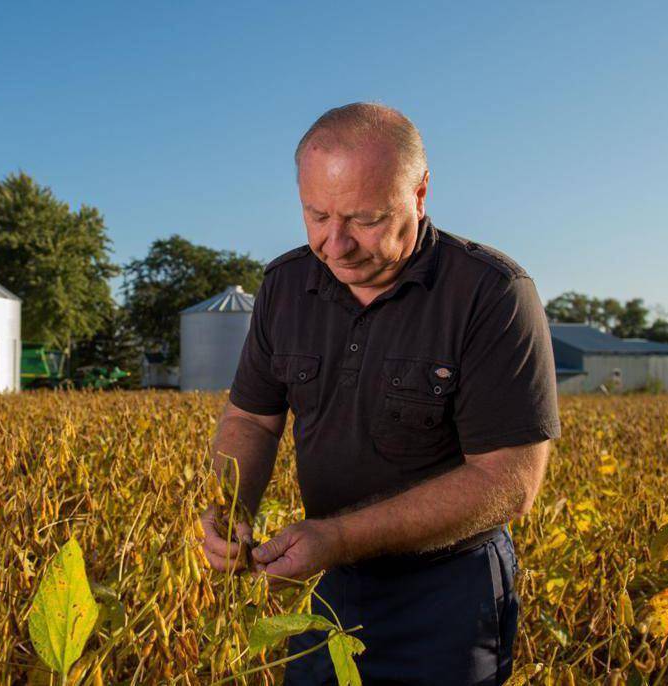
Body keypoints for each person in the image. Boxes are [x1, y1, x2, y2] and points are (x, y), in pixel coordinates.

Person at [198, 102, 560, 685]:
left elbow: (509, 483)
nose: (335, 245)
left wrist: (338, 537)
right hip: (328, 580)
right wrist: (232, 505)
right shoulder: (286, 285)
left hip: (450, 591)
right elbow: (251, 421)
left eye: (364, 220)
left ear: (420, 195)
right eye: (316, 215)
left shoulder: (491, 294)